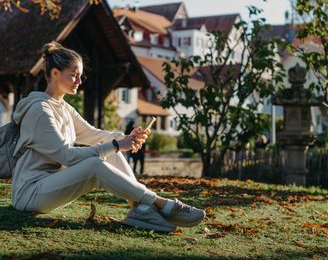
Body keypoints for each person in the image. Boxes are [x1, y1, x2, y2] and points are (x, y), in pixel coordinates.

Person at [11, 41, 205, 232]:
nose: (79, 81)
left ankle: (139, 208)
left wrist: (125, 138)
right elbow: (66, 156)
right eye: (74, 76)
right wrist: (117, 144)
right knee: (96, 163)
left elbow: (94, 135)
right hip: (30, 193)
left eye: (80, 76)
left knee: (107, 148)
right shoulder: (40, 110)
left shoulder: (63, 108)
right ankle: (160, 203)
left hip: (52, 185)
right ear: (55, 74)